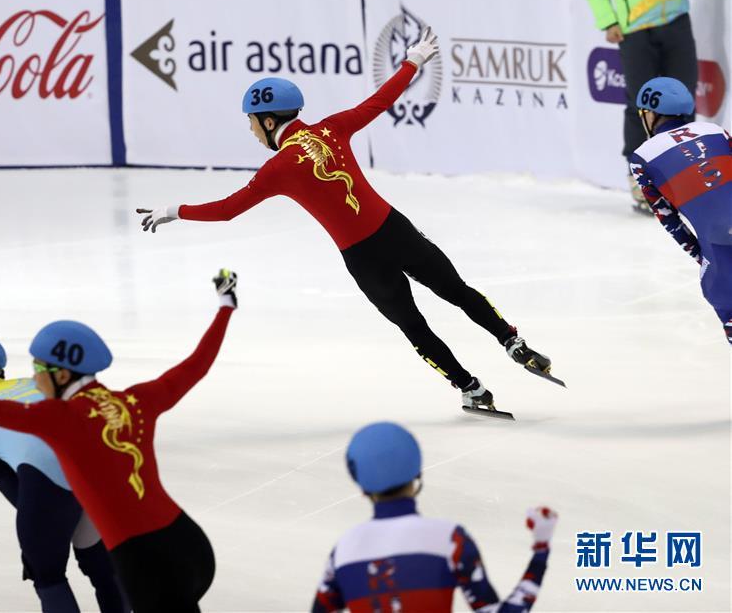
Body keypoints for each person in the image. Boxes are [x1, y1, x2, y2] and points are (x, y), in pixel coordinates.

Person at [136, 28, 556, 418]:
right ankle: (512, 341)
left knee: (414, 326)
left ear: (268, 120)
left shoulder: (278, 167)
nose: (250, 131)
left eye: (250, 122)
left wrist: (175, 210)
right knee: (456, 291)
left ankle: (471, 389)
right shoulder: (332, 128)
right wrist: (411, 62)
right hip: (397, 230)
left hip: (362, 257)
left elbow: (228, 210)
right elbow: (378, 103)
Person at [0, 269, 239, 612]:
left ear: (63, 374)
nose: (35, 373)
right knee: (101, 566)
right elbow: (195, 366)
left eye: (39, 367)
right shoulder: (136, 400)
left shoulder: (50, 418)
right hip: (190, 546)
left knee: (48, 574)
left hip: (137, 554)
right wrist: (225, 306)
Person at [0, 332, 126, 613]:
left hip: (48, 482)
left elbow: (2, 475)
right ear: (0, 368)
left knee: (48, 576)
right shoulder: (37, 383)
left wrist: (37, 532)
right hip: (98, 467)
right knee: (103, 566)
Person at [312, 422, 557, 612]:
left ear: (360, 483)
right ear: (417, 470)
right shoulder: (450, 540)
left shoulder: (343, 551)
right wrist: (541, 549)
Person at [628, 77, 732, 344]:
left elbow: (669, 220)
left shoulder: (642, 158)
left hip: (721, 247)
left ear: (649, 113)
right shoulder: (714, 130)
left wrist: (705, 257)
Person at [584, 0, 698, 213]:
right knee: (642, 104)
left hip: (675, 17)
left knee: (683, 100)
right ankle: (640, 179)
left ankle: (686, 177)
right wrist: (608, 20)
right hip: (634, 27)